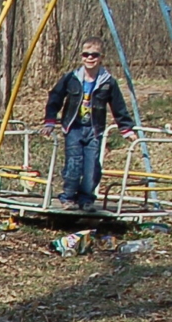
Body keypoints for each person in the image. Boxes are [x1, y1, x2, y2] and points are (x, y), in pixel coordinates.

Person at [43, 38, 138, 212]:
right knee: (73, 164)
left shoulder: (107, 82)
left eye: (94, 55)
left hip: (94, 129)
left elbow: (118, 106)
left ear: (101, 57)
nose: (90, 58)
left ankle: (86, 198)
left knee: (92, 167)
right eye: (86, 55)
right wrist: (50, 120)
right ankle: (68, 197)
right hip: (73, 127)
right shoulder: (71, 78)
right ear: (81, 57)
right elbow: (55, 98)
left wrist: (126, 128)